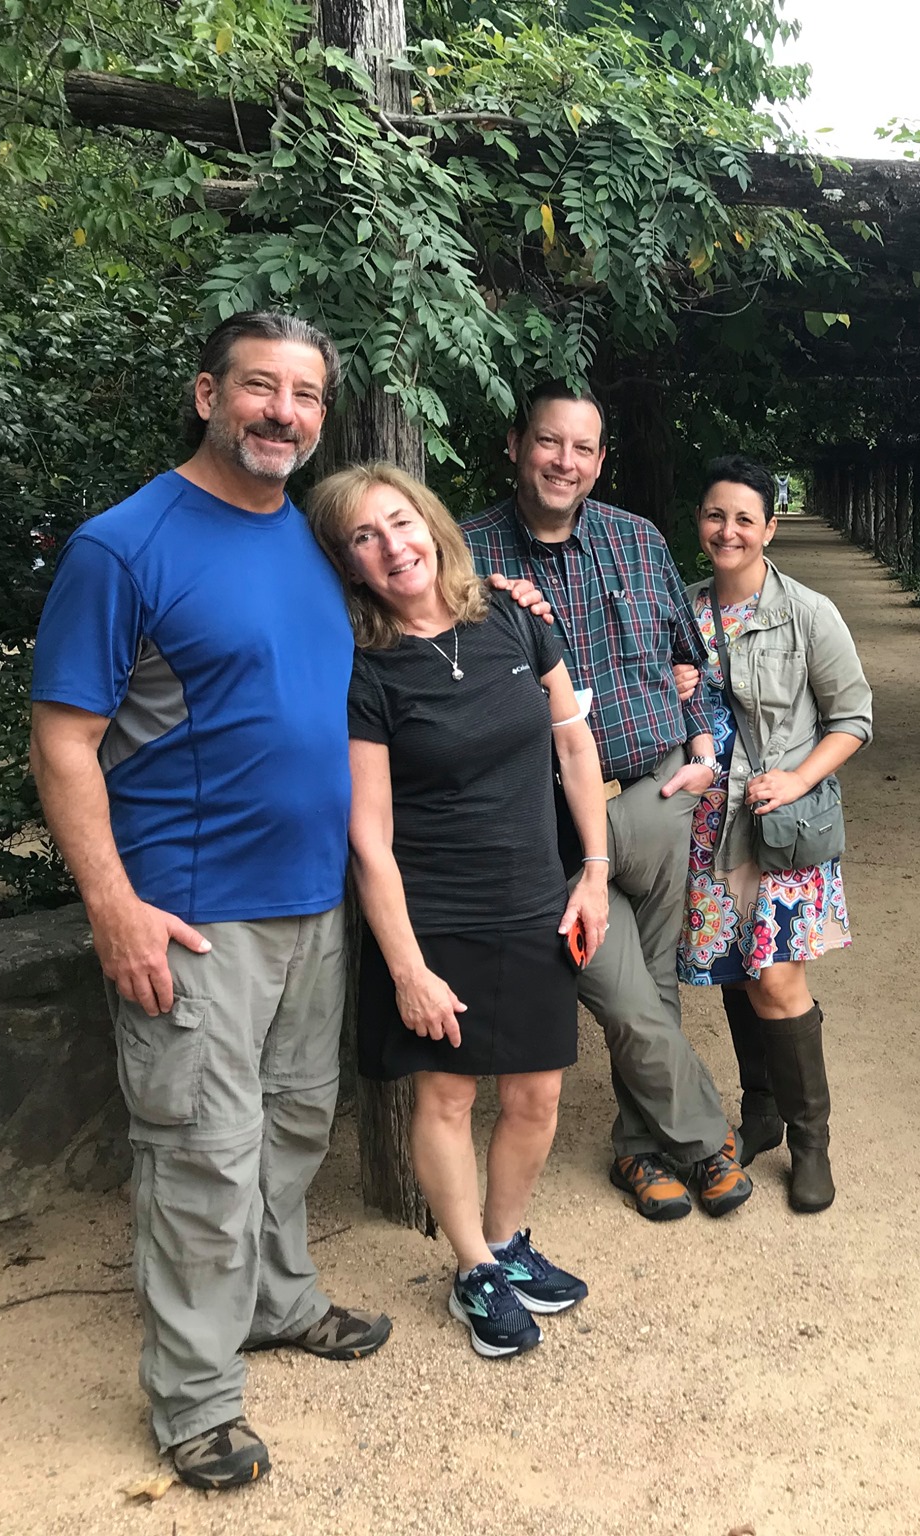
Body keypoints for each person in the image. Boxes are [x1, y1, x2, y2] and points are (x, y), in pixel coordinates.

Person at [29, 314, 391, 1490]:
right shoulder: (123, 546)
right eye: (258, 387)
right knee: (201, 1157)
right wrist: (113, 908)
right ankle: (194, 1399)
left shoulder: (307, 539)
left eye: (305, 394)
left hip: (310, 901)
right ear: (205, 394)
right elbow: (64, 742)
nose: (283, 411)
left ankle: (277, 1301)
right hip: (191, 912)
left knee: (293, 1124)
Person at [307, 464, 608, 1358]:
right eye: (364, 537)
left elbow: (575, 747)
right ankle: (473, 1268)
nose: (392, 546)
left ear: (432, 525)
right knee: (447, 1094)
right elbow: (370, 839)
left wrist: (593, 872)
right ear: (347, 564)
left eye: (400, 522)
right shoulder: (366, 671)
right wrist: (406, 969)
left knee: (538, 1095)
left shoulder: (514, 617)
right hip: (435, 913)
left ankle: (506, 1244)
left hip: (538, 898)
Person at [461, 382, 752, 1223]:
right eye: (549, 442)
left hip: (657, 796)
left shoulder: (637, 538)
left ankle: (638, 1150)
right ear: (516, 444)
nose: (565, 462)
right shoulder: (464, 553)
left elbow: (684, 658)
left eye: (583, 448)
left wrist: (700, 749)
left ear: (598, 460)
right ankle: (704, 1137)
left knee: (654, 989)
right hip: (550, 822)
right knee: (622, 996)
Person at [679, 456, 874, 1213]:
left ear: (769, 529)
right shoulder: (682, 608)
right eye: (715, 515)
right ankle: (759, 1111)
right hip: (706, 827)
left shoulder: (808, 614)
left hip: (776, 825)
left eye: (744, 518)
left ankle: (811, 1140)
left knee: (778, 979)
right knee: (738, 971)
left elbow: (853, 717)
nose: (727, 530)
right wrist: (671, 686)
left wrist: (797, 778)